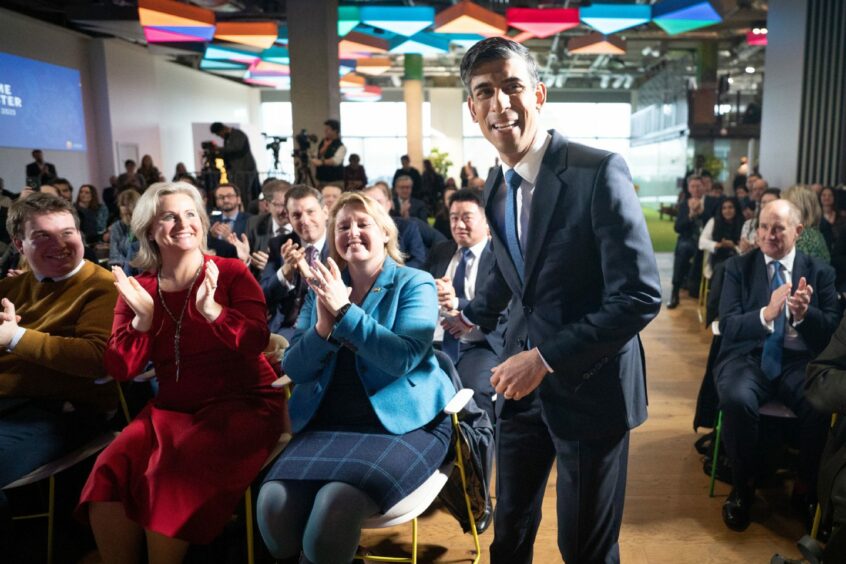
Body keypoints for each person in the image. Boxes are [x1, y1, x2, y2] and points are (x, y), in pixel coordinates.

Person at [444, 37, 661, 564]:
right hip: (520, 389)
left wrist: (545, 359)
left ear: (538, 94)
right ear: (472, 110)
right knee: (509, 535)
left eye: (513, 86)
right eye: (485, 92)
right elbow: (513, 271)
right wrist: (470, 319)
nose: (501, 103)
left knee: (583, 549)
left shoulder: (597, 172)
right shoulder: (495, 185)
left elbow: (639, 296)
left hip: (590, 387)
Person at [77, 181, 287, 561]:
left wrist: (214, 313)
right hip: (171, 408)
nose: (183, 223)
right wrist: (142, 320)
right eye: (169, 216)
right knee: (110, 466)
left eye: (190, 214)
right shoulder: (138, 288)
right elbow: (120, 368)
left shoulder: (232, 272)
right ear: (148, 230)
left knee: (170, 473)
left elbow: (258, 340)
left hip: (243, 403)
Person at [257, 191, 455, 564]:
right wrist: (320, 329)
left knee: (335, 504)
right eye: (343, 225)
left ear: (384, 232)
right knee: (272, 507)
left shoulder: (416, 283)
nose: (352, 232)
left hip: (404, 426)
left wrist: (345, 312)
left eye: (363, 223)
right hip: (328, 423)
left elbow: (404, 358)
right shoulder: (323, 283)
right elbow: (295, 368)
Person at [715, 199, 838, 532]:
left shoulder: (820, 273)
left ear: (797, 231)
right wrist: (766, 315)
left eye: (778, 228)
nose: (768, 235)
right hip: (748, 358)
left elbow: (831, 330)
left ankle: (806, 490)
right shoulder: (738, 268)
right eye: (763, 227)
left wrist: (802, 315)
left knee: (821, 404)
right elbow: (728, 326)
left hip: (798, 362)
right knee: (737, 399)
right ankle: (742, 489)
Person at [0, 193, 118, 534]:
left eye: (68, 232)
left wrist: (16, 339)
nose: (60, 244)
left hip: (62, 414)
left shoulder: (103, 286)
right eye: (42, 236)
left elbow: (98, 358)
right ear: (19, 245)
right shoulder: (10, 287)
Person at [424, 188, 502, 425]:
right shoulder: (441, 251)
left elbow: (503, 309)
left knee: (474, 390)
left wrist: (457, 302)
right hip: (435, 341)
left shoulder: (498, 257)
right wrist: (432, 289)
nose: (459, 225)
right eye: (454, 218)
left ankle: (480, 454)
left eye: (466, 217)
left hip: (478, 344)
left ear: (485, 220)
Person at [260, 185, 329, 340]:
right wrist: (285, 273)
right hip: (285, 328)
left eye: (310, 212)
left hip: (326, 327)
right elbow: (263, 295)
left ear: (325, 212)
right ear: (289, 219)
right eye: (297, 215)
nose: (304, 220)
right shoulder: (279, 244)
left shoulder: (340, 244)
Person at [362, 183, 426, 269]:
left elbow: (419, 260)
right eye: (368, 203)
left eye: (378, 202)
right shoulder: (355, 232)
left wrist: (393, 274)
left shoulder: (407, 226)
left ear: (389, 205)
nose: (374, 207)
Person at [246, 180, 292, 275]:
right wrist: (248, 260)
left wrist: (271, 266)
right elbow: (248, 262)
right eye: (280, 205)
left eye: (288, 204)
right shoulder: (254, 224)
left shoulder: (303, 224)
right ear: (267, 205)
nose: (285, 210)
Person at [210, 122, 260, 205]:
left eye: (219, 134)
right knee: (238, 191)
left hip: (244, 170)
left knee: (243, 192)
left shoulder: (238, 135)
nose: (220, 136)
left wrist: (219, 149)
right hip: (236, 171)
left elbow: (236, 148)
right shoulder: (228, 138)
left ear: (223, 129)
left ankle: (246, 213)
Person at [108, 189, 141, 275]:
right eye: (122, 205)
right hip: (122, 271)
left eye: (129, 204)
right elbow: (114, 255)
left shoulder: (144, 226)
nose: (125, 208)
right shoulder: (116, 227)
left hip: (141, 269)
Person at [311, 119, 345, 189]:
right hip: (321, 180)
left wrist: (321, 162)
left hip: (334, 181)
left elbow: (336, 161)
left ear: (335, 131)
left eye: (328, 129)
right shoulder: (323, 142)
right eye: (325, 129)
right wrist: (324, 148)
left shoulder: (340, 146)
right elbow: (316, 154)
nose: (325, 131)